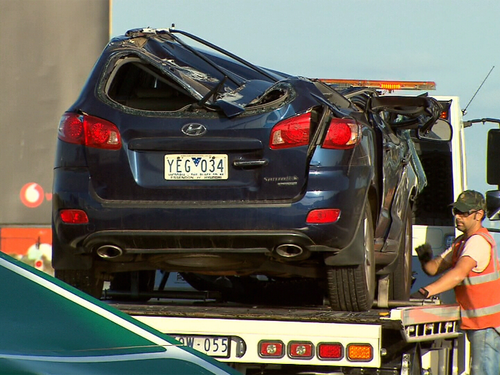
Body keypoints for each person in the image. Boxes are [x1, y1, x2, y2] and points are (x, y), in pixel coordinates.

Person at [411, 190, 500, 375]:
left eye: (464, 213)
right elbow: (435, 268)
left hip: (486, 326)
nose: (458, 217)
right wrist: (426, 260)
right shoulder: (462, 242)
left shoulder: (478, 242)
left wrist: (425, 292)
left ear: (479, 214)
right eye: (456, 212)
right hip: (478, 324)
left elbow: (458, 274)